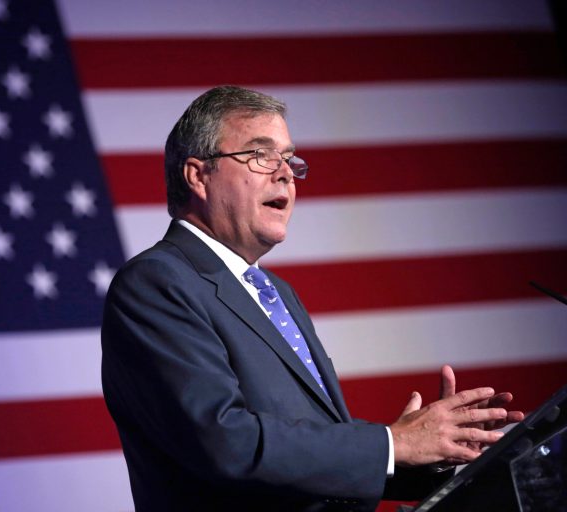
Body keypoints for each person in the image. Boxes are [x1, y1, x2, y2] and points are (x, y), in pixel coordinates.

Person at [101, 85, 524, 511]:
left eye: (289, 159)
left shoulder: (274, 292)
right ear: (198, 176)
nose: (285, 173)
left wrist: (437, 450)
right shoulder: (156, 283)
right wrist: (391, 443)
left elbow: (309, 458)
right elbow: (224, 442)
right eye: (261, 155)